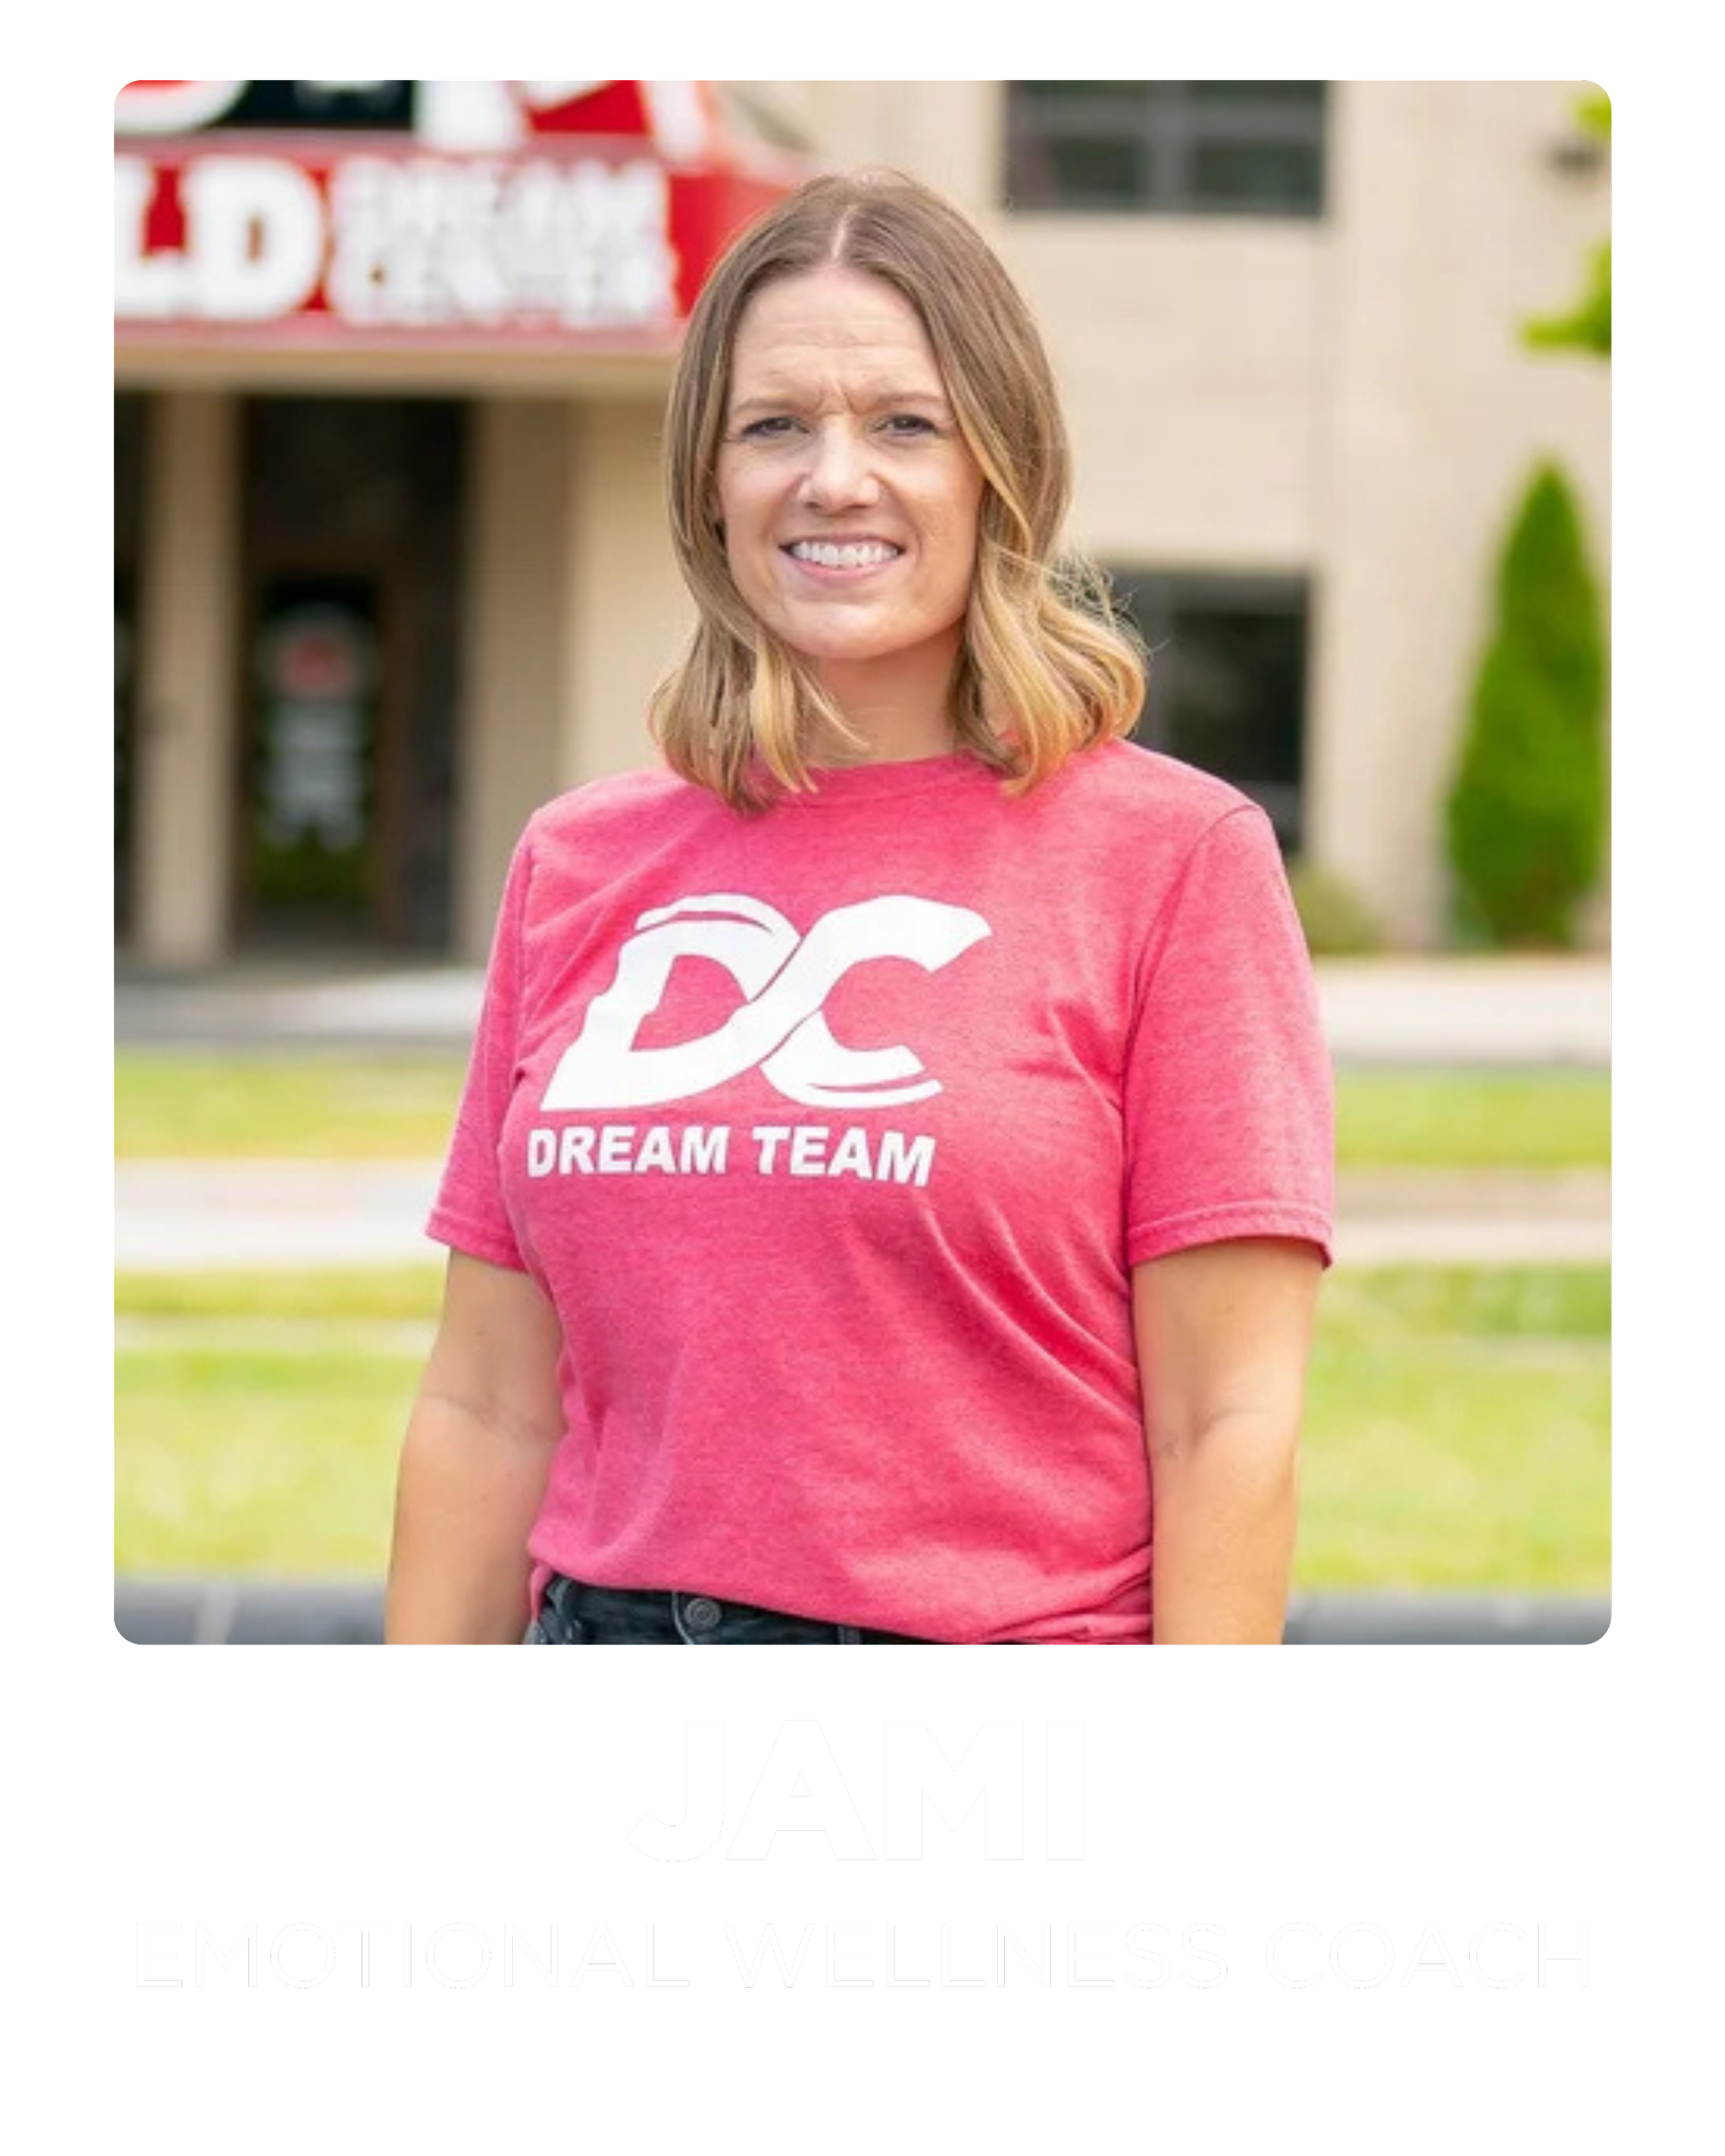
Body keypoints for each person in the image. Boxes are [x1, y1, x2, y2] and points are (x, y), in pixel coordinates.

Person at [382, 166, 1334, 1648]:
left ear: (995, 463)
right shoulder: (576, 860)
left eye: (903, 422)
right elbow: (486, 1402)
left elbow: (1226, 1421)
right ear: (708, 476)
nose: (833, 477)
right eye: (773, 425)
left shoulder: (1172, 856)